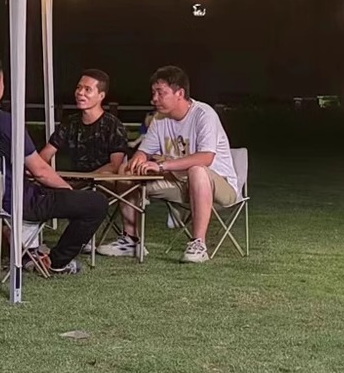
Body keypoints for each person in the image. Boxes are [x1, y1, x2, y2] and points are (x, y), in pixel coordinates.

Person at [0, 52, 107, 275]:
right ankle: (56, 262)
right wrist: (69, 191)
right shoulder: (4, 121)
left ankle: (28, 250)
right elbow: (40, 171)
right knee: (96, 203)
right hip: (17, 203)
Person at [97, 65, 238, 263]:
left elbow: (206, 158)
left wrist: (162, 166)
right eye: (153, 93)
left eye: (160, 93)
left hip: (219, 187)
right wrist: (138, 159)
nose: (154, 99)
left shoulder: (203, 115)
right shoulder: (160, 119)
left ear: (179, 93)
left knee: (197, 170)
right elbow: (144, 151)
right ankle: (131, 241)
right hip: (180, 184)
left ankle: (198, 244)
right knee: (127, 170)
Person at [39, 69, 129, 174]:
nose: (80, 93)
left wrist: (87, 179)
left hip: (101, 182)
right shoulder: (69, 123)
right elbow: (45, 154)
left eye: (87, 89)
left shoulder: (114, 126)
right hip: (72, 181)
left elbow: (115, 165)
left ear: (101, 96)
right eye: (78, 87)